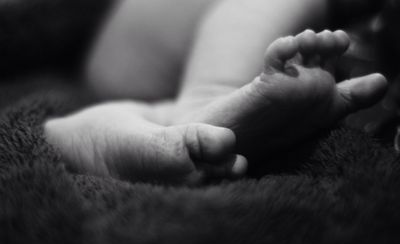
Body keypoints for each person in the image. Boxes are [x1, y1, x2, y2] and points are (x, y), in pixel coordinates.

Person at [44, 0, 388, 185]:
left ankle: (84, 135)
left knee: (167, 130)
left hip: (137, 88)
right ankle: (208, 100)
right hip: (145, 51)